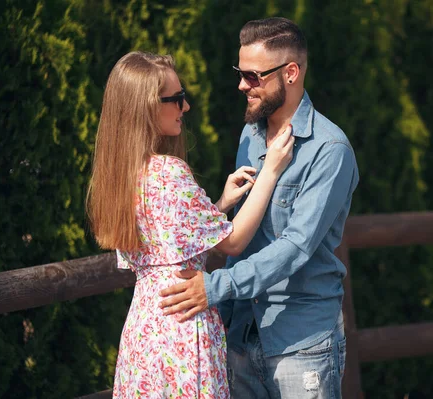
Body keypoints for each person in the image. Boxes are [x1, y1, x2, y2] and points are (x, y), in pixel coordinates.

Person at [159, 17, 359, 398]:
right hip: (241, 332)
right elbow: (243, 233)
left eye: (253, 77)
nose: (241, 85)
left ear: (291, 73)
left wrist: (215, 287)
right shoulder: (250, 134)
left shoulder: (330, 150)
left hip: (301, 341)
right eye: (240, 73)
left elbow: (296, 246)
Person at [86, 51, 294, 399]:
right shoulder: (168, 172)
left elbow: (169, 244)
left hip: (144, 335)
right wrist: (272, 169)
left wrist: (221, 205)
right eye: (177, 99)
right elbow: (233, 243)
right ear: (148, 106)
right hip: (182, 328)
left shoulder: (120, 176)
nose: (186, 107)